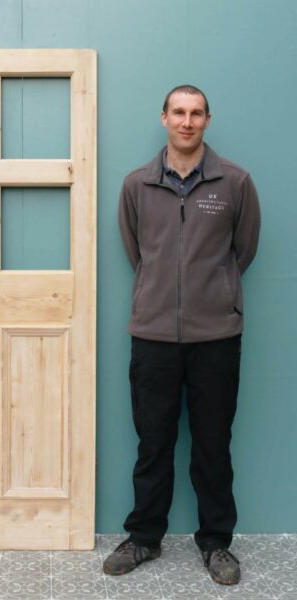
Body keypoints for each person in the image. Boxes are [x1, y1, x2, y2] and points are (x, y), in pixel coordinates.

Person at [103, 85, 261, 586]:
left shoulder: (234, 183)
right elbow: (138, 252)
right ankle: (144, 538)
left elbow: (244, 250)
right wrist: (160, 293)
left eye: (196, 114)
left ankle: (217, 544)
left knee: (213, 444)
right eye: (178, 113)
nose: (187, 122)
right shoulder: (136, 186)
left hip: (216, 336)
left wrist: (213, 292)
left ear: (207, 120)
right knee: (153, 443)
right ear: (164, 118)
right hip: (152, 337)